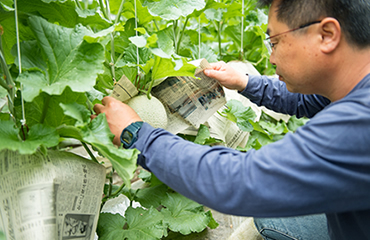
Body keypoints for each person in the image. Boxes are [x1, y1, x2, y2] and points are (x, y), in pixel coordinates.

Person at [92, 0, 370, 239]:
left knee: (270, 219)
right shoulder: (354, 87)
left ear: (327, 35)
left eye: (274, 42)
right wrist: (245, 82)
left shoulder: (359, 123)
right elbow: (307, 101)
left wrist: (137, 134)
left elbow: (244, 180)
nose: (271, 58)